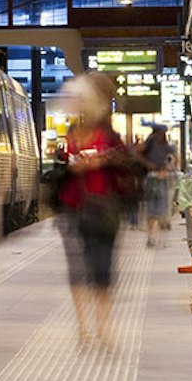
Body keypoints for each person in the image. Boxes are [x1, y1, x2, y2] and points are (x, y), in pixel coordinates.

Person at [49, 75, 144, 345]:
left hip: (104, 207)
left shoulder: (110, 136)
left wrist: (103, 160)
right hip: (73, 206)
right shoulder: (69, 135)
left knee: (103, 268)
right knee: (77, 268)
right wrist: (72, 164)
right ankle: (83, 328)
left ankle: (104, 328)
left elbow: (128, 163)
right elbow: (61, 163)